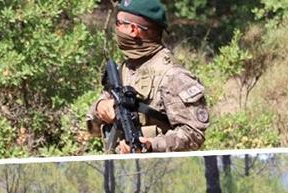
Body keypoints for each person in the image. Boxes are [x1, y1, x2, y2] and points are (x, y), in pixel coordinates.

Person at [87, 0, 209, 153]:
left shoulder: (173, 76)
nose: (116, 29)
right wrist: (100, 107)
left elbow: (194, 135)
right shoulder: (124, 70)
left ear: (133, 29)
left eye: (118, 23)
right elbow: (92, 129)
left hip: (159, 169)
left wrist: (151, 145)